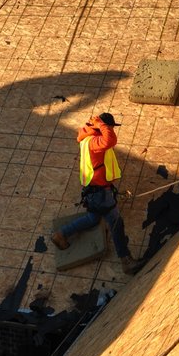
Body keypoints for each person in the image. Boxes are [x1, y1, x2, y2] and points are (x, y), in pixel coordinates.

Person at [51, 113, 141, 274]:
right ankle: (126, 261)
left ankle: (61, 234)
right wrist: (102, 125)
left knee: (93, 218)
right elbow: (110, 140)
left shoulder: (87, 138)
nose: (112, 130)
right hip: (100, 193)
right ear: (102, 127)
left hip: (94, 190)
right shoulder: (94, 142)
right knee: (116, 224)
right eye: (110, 127)